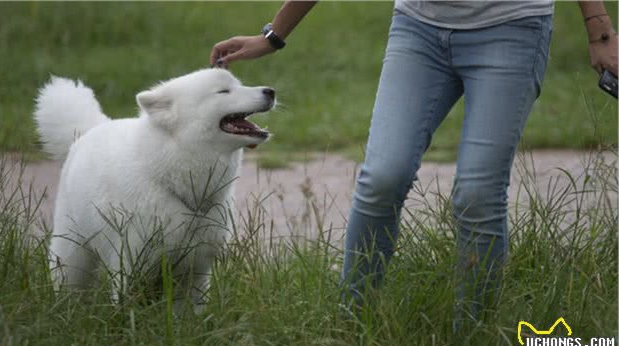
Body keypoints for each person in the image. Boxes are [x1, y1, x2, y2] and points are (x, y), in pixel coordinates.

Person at [210, 0, 618, 326]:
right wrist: (274, 35)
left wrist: (599, 27)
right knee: (382, 178)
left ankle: (471, 334)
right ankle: (351, 327)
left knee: (477, 194)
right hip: (419, 29)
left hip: (513, 29)